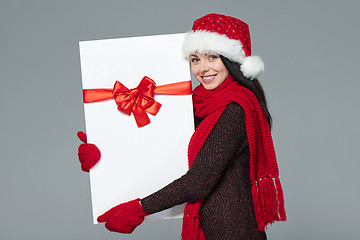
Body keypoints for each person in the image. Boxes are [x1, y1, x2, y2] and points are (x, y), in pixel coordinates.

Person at [77, 13, 286, 240]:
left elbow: (199, 180)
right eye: (195, 59)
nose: (202, 68)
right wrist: (105, 154)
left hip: (235, 233)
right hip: (211, 230)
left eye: (212, 57)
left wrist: (138, 209)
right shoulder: (200, 105)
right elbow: (164, 149)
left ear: (232, 61)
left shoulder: (235, 109)